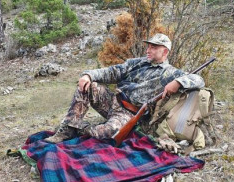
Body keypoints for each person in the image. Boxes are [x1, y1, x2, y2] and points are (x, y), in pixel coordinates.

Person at [48, 33, 205, 143]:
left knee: (107, 133)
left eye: (153, 47)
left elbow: (199, 80)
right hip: (112, 101)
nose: (148, 50)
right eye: (148, 46)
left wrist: (178, 82)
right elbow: (111, 72)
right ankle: (66, 131)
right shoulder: (136, 62)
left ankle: (77, 127)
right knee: (88, 86)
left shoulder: (171, 73)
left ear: (165, 51)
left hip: (128, 113)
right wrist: (88, 75)